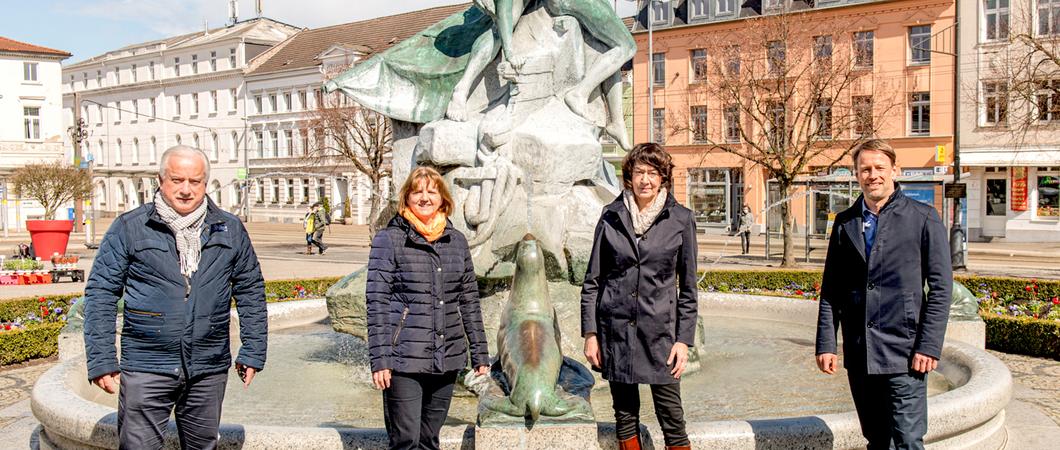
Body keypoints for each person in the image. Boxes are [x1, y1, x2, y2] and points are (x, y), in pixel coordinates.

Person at [83, 145, 267, 449]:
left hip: (208, 368)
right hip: (147, 365)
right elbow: (101, 291)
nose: (186, 190)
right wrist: (102, 359)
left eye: (195, 182)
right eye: (177, 180)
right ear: (160, 180)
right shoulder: (130, 227)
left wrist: (253, 350)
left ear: (205, 184)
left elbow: (250, 290)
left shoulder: (230, 229)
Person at [815, 139, 952, 450]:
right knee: (876, 440)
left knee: (907, 441)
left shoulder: (923, 217)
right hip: (861, 353)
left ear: (895, 170)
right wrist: (826, 344)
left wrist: (928, 347)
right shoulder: (844, 223)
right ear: (856, 174)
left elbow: (941, 289)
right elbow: (831, 291)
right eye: (865, 169)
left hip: (906, 354)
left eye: (879, 168)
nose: (872, 175)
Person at [580, 143, 698, 450]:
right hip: (617, 332)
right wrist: (591, 334)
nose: (645, 179)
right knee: (625, 415)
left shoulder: (680, 219)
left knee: (672, 416)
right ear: (629, 176)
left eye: (653, 172)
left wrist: (683, 340)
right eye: (639, 172)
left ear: (663, 178)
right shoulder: (611, 216)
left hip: (661, 334)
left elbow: (688, 288)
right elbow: (593, 280)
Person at [366, 166, 491, 450]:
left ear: (443, 198)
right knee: (406, 441)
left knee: (429, 440)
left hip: (447, 358)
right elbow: (377, 301)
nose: (424, 197)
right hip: (404, 360)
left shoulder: (456, 241)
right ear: (406, 198)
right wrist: (381, 359)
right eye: (417, 191)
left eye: (431, 191)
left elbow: (469, 300)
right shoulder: (390, 239)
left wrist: (480, 353)